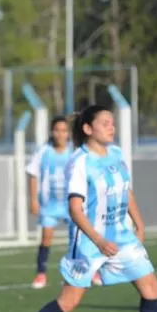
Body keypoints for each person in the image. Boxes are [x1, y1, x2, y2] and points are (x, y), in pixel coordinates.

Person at [2, 105, 157, 312]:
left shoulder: (115, 153)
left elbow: (126, 190)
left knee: (151, 289)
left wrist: (139, 221)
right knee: (68, 302)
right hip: (90, 243)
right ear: (88, 129)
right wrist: (99, 241)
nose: (111, 127)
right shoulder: (79, 161)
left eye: (112, 122)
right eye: (105, 123)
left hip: (121, 238)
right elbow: (75, 210)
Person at [27, 116, 97, 288]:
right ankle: (41, 274)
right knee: (46, 237)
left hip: (71, 205)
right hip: (49, 205)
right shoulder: (44, 151)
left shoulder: (75, 151)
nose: (60, 134)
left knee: (80, 237)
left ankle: (89, 270)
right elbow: (33, 174)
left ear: (69, 133)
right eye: (57, 130)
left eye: (64, 130)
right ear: (52, 132)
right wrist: (33, 200)